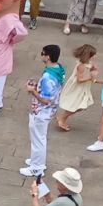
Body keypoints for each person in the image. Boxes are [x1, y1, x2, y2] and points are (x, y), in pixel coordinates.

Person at [21, 43, 64, 179]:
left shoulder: (47, 77)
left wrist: (32, 91)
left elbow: (45, 100)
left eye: (43, 53)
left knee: (38, 139)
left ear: (48, 57)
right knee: (39, 138)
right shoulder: (59, 69)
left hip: (41, 112)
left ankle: (37, 168)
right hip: (49, 111)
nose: (41, 55)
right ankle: (36, 160)